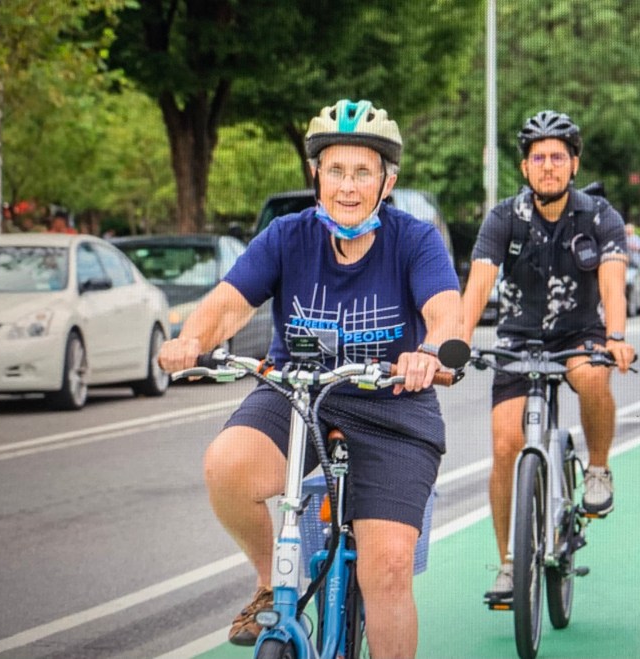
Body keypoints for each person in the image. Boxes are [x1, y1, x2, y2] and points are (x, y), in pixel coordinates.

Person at [156, 99, 461, 658]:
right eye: (336, 170)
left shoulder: (414, 240)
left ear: (387, 181)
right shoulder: (285, 236)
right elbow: (227, 305)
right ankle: (271, 580)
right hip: (298, 394)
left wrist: (430, 350)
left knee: (388, 569)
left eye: (362, 172)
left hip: (394, 403)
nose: (348, 186)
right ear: (317, 175)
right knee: (227, 467)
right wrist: (191, 340)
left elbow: (445, 311)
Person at [459, 110, 637, 604]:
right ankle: (510, 564)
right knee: (503, 447)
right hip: (518, 340)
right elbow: (477, 287)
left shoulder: (601, 217)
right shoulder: (503, 218)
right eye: (538, 158)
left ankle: (598, 469)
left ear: (574, 164)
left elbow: (613, 284)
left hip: (580, 334)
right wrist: (451, 344)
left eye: (558, 157)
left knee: (594, 376)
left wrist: (616, 335)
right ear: (524, 167)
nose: (548, 166)